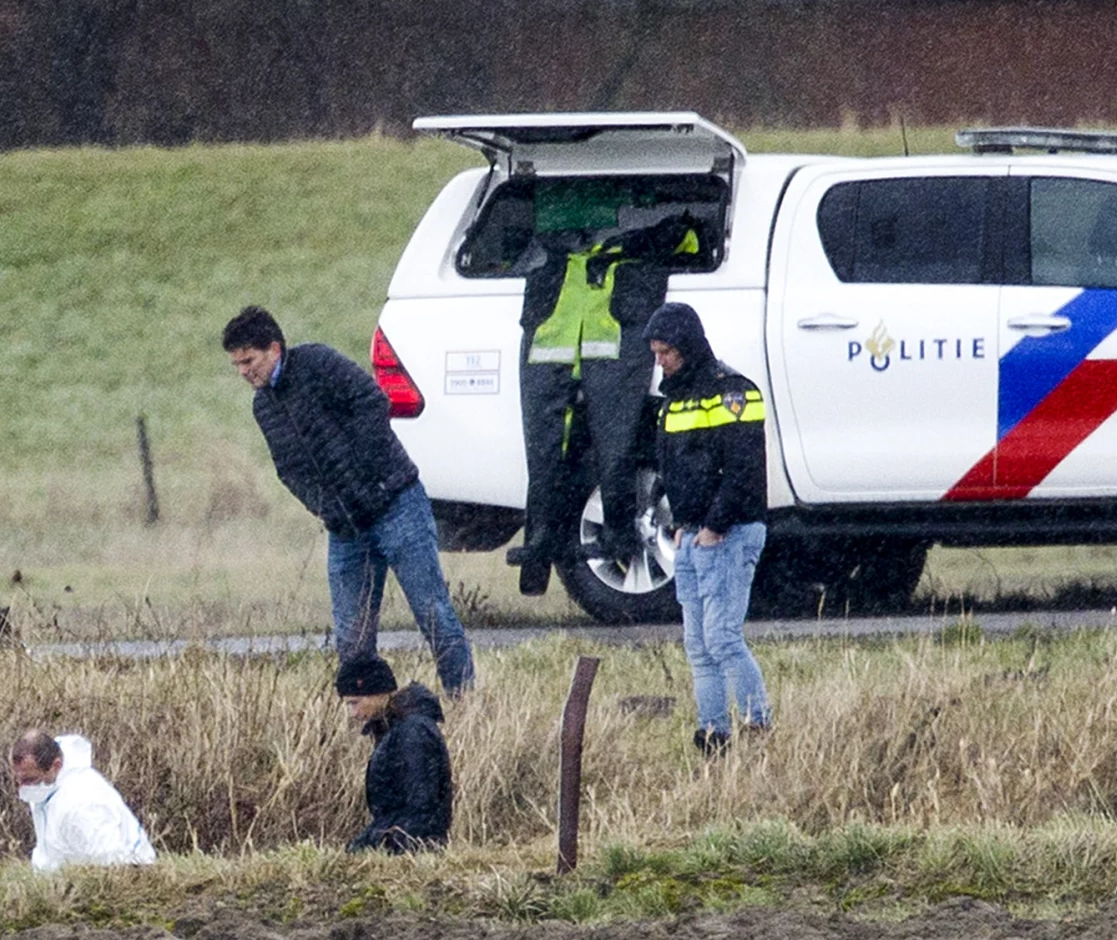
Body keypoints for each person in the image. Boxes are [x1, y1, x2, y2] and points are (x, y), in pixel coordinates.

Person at [223, 303, 478, 696]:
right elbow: (287, 469)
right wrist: (325, 507)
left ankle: (464, 700)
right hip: (345, 530)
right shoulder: (264, 407)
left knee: (433, 615)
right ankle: (368, 713)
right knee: (351, 639)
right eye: (237, 365)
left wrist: (367, 477)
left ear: (274, 348)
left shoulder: (318, 363)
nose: (243, 372)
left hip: (396, 505)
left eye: (248, 360)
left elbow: (372, 402)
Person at [515, 195, 707, 596]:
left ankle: (611, 539)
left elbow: (689, 240)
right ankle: (542, 550)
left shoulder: (573, 261)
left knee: (611, 446)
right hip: (590, 353)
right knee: (553, 451)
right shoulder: (567, 264)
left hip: (595, 351)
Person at [645, 300, 774, 755]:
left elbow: (742, 468)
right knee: (699, 645)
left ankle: (759, 727)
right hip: (694, 534)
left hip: (729, 532)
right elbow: (673, 468)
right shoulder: (672, 400)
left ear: (687, 346)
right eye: (656, 354)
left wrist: (715, 526)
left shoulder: (732, 391)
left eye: (666, 353)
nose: (660, 362)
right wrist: (683, 525)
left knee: (721, 637)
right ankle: (713, 735)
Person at [337, 652, 453, 852]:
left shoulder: (413, 733)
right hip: (404, 841)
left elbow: (420, 810)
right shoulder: (396, 728)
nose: (353, 713)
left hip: (411, 848)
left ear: (377, 693)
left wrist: (381, 846)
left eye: (355, 703)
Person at [11, 729, 156, 869]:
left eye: (30, 780)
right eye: (18, 779)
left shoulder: (83, 803)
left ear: (56, 766)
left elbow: (111, 864)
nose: (22, 787)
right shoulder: (45, 788)